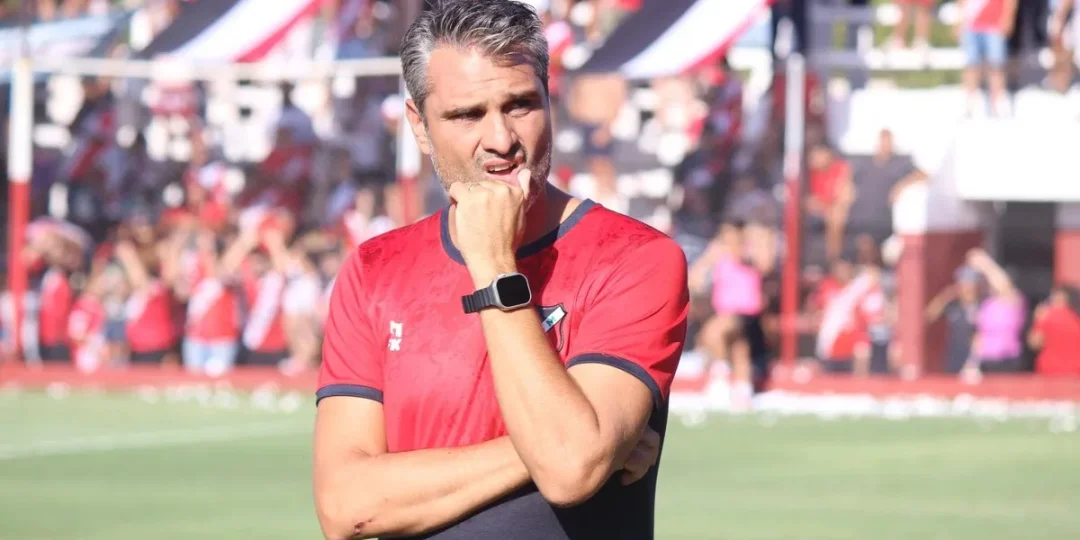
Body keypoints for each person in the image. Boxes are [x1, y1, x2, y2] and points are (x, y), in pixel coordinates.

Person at [313, 2, 689, 540]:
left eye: (520, 104)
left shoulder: (634, 258)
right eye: (467, 115)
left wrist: (493, 267)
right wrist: (556, 447)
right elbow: (346, 507)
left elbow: (569, 471)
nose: (501, 139)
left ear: (549, 100)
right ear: (419, 126)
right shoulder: (375, 270)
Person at [1028, 285, 1080, 377]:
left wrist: (1037, 320)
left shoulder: (1046, 316)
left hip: (1050, 370)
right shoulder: (1076, 317)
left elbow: (1035, 343)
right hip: (1075, 371)